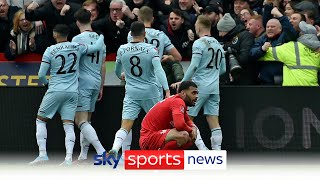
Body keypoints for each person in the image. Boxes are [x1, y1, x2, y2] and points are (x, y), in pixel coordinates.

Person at [29, 24, 104, 166]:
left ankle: (43, 154)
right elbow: (97, 47)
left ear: (55, 34)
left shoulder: (50, 50)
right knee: (68, 124)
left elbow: (40, 75)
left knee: (41, 120)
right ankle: (68, 158)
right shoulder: (77, 46)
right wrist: (101, 35)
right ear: (67, 34)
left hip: (56, 89)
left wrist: (47, 84)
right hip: (73, 92)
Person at [108, 21, 170, 157]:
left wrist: (121, 76)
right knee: (158, 125)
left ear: (131, 33)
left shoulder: (122, 49)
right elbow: (159, 70)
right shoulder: (150, 49)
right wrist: (166, 89)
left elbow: (117, 70)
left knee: (125, 126)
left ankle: (117, 150)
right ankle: (159, 154)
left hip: (131, 92)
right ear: (144, 34)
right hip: (151, 92)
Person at [172, 15, 226, 150]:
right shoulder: (218, 45)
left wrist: (184, 83)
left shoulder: (199, 43)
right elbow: (223, 69)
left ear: (199, 26)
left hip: (198, 87)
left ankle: (203, 150)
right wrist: (212, 76)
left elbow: (194, 65)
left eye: (196, 25)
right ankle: (217, 151)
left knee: (187, 119)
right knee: (214, 120)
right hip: (214, 87)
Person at [72, 8, 106, 162]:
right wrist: (101, 86)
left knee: (80, 120)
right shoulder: (100, 39)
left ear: (77, 22)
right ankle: (83, 155)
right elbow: (103, 64)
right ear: (91, 19)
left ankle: (101, 151)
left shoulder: (76, 39)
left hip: (83, 82)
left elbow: (74, 63)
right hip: (96, 80)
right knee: (87, 120)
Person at [140, 80, 198, 150]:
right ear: (183, 93)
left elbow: (188, 121)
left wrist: (193, 128)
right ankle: (161, 157)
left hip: (156, 136)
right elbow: (179, 125)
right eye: (193, 93)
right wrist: (191, 131)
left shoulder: (179, 101)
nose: (196, 96)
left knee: (189, 137)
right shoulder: (178, 102)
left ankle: (169, 157)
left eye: (197, 93)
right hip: (148, 139)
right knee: (184, 135)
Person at [259, 21, 320, 86]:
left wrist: (260, 47)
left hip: (292, 92)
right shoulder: (318, 50)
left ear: (301, 34)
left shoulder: (292, 47)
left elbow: (262, 54)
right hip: (313, 92)